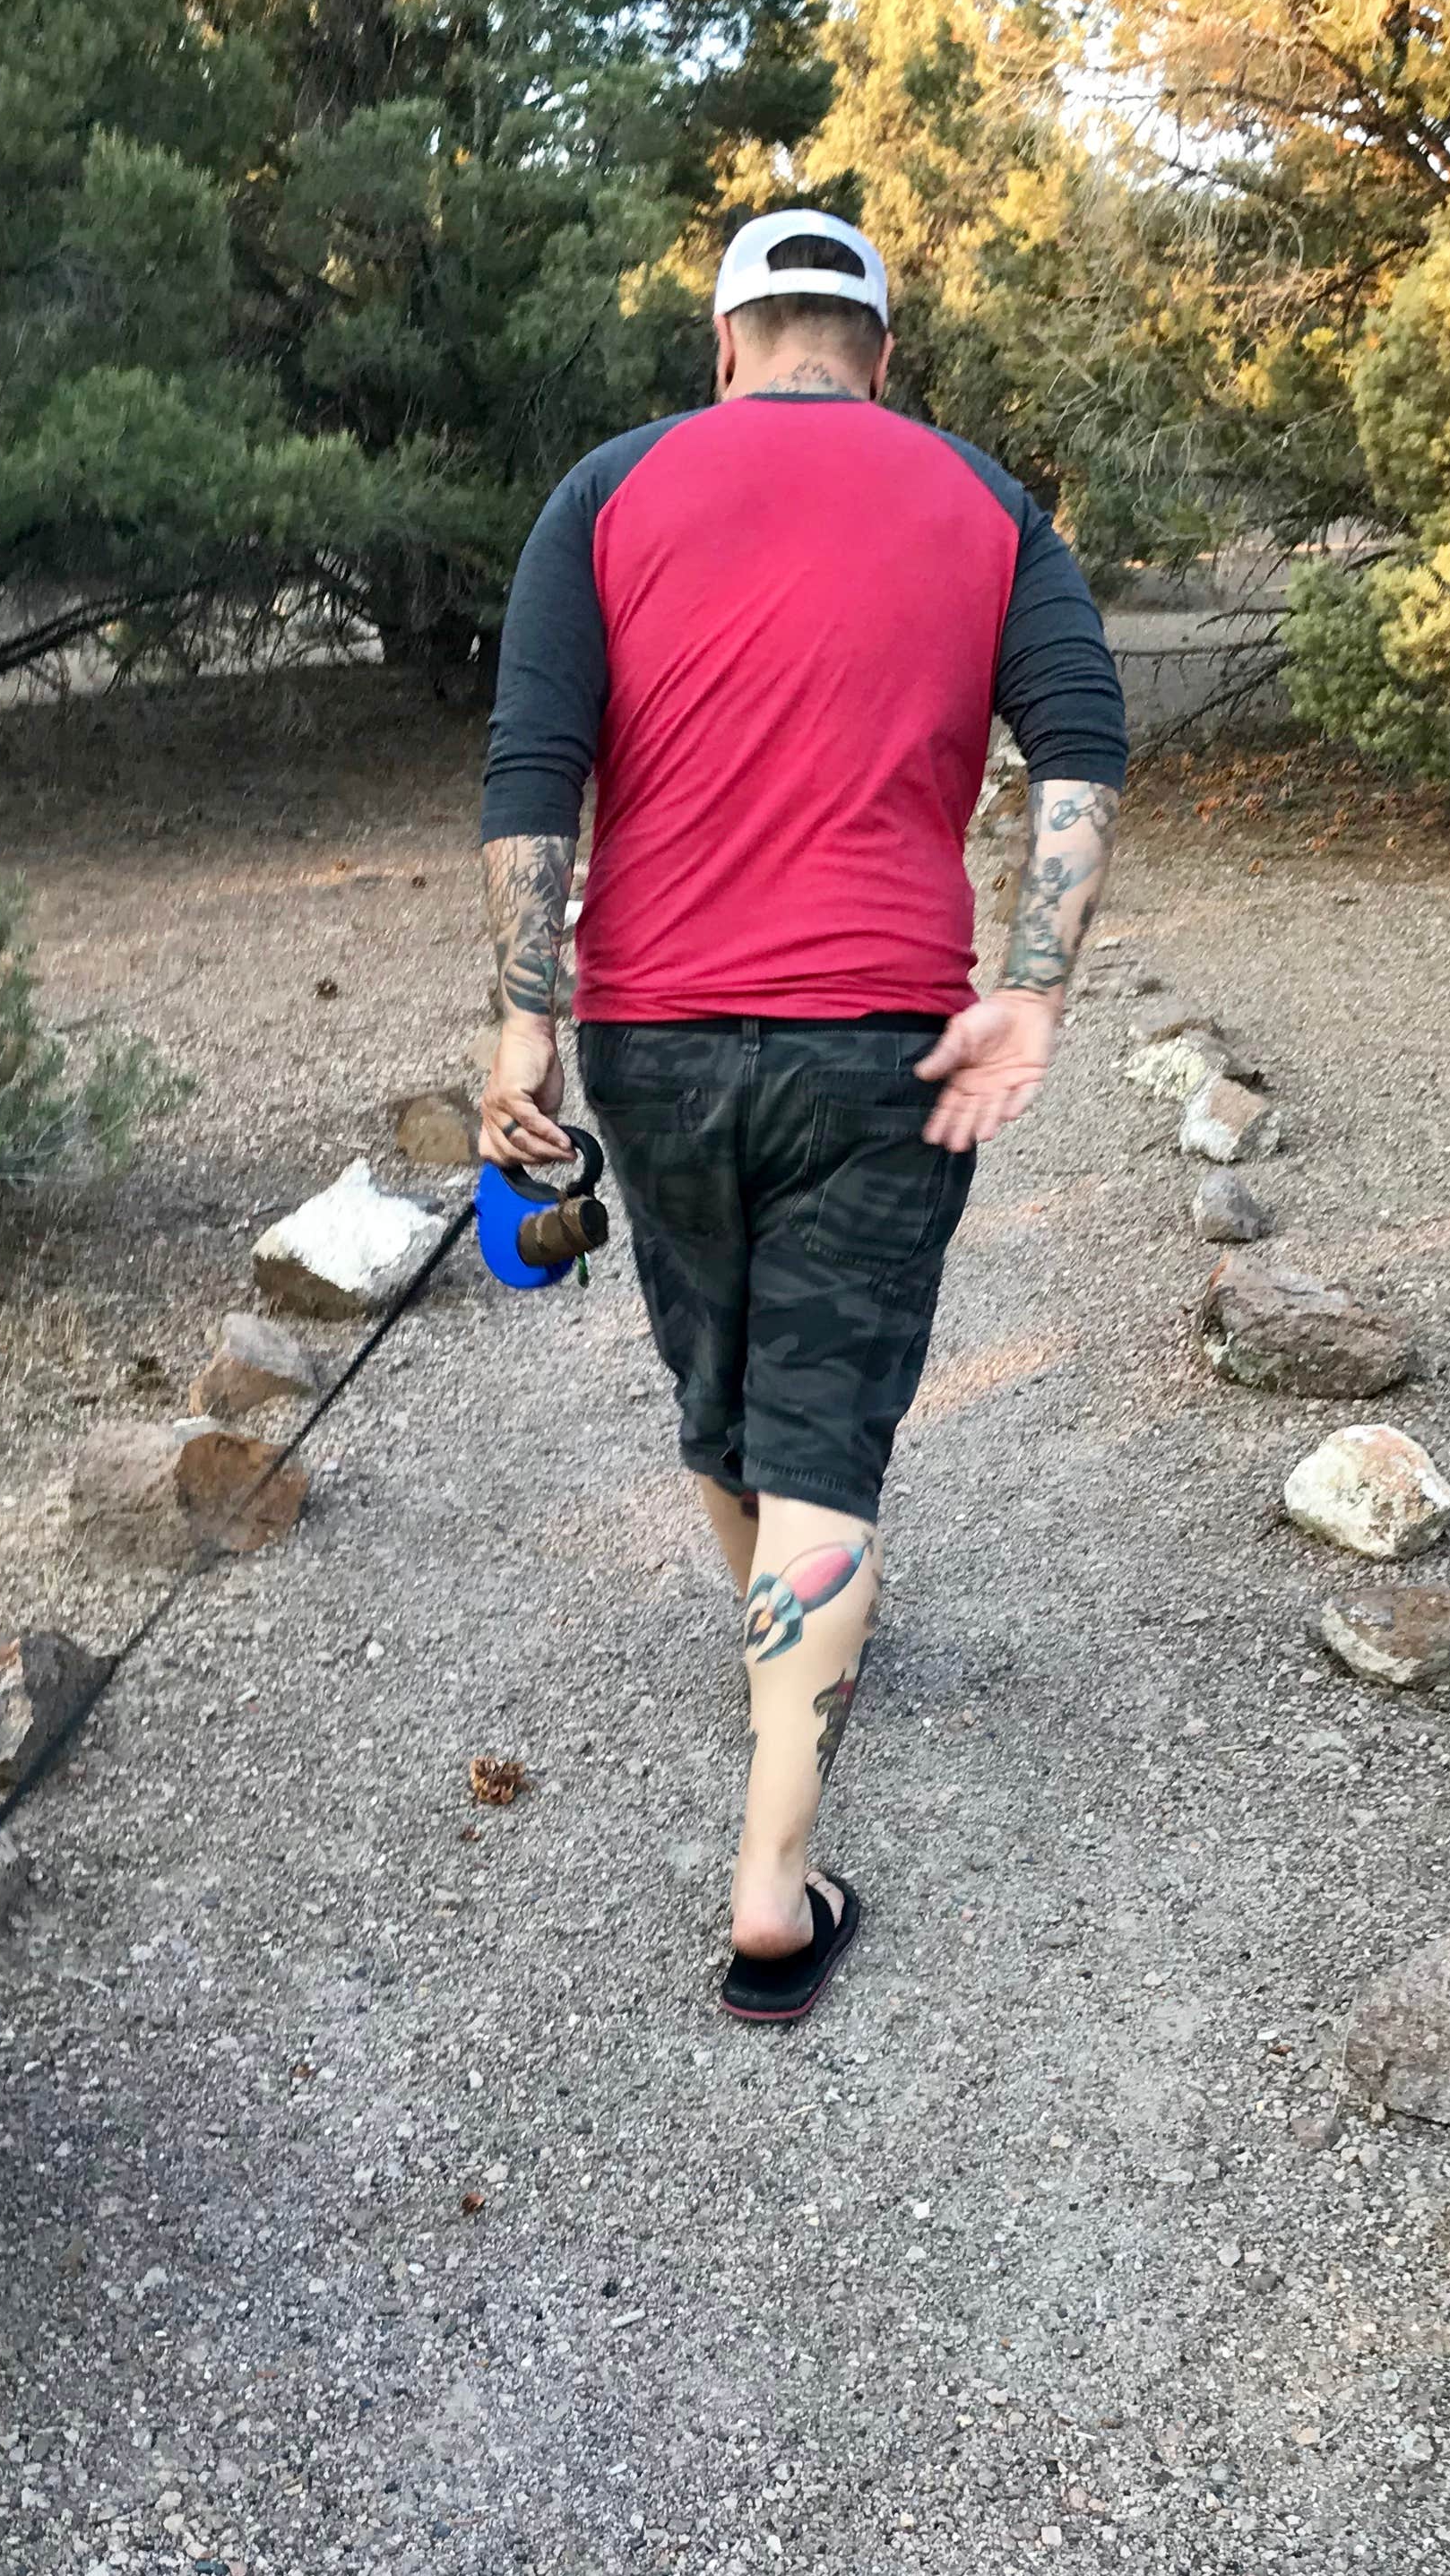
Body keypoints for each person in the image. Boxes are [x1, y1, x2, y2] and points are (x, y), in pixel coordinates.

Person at [476, 208, 1126, 2022]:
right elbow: (1081, 740)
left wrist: (527, 1029)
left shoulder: (608, 488)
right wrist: (1038, 988)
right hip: (882, 1041)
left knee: (718, 1379)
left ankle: (784, 1637)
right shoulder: (982, 499)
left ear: (726, 342)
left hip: (657, 1034)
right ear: (882, 357)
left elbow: (535, 775)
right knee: (822, 1425)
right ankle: (773, 1875)